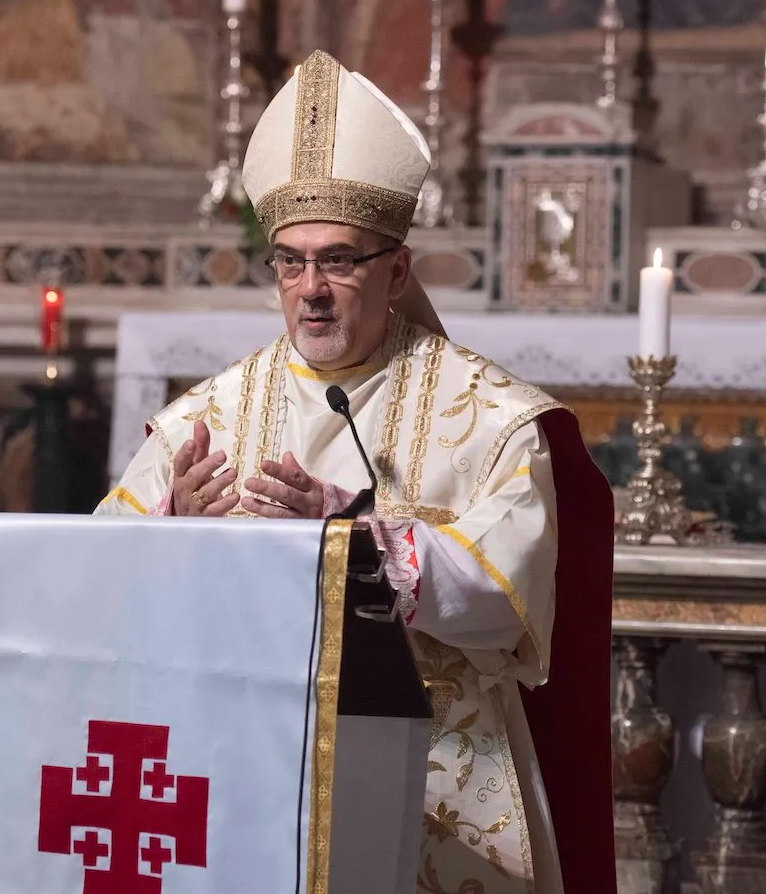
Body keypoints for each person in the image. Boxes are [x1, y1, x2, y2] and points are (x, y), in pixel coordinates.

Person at [97, 49, 615, 894]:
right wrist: (167, 536)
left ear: (398, 270)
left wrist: (360, 539)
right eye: (291, 262)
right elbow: (97, 578)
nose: (313, 290)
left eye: (339, 260)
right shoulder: (205, 420)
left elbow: (506, 599)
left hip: (442, 780)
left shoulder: (491, 417)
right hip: (242, 769)